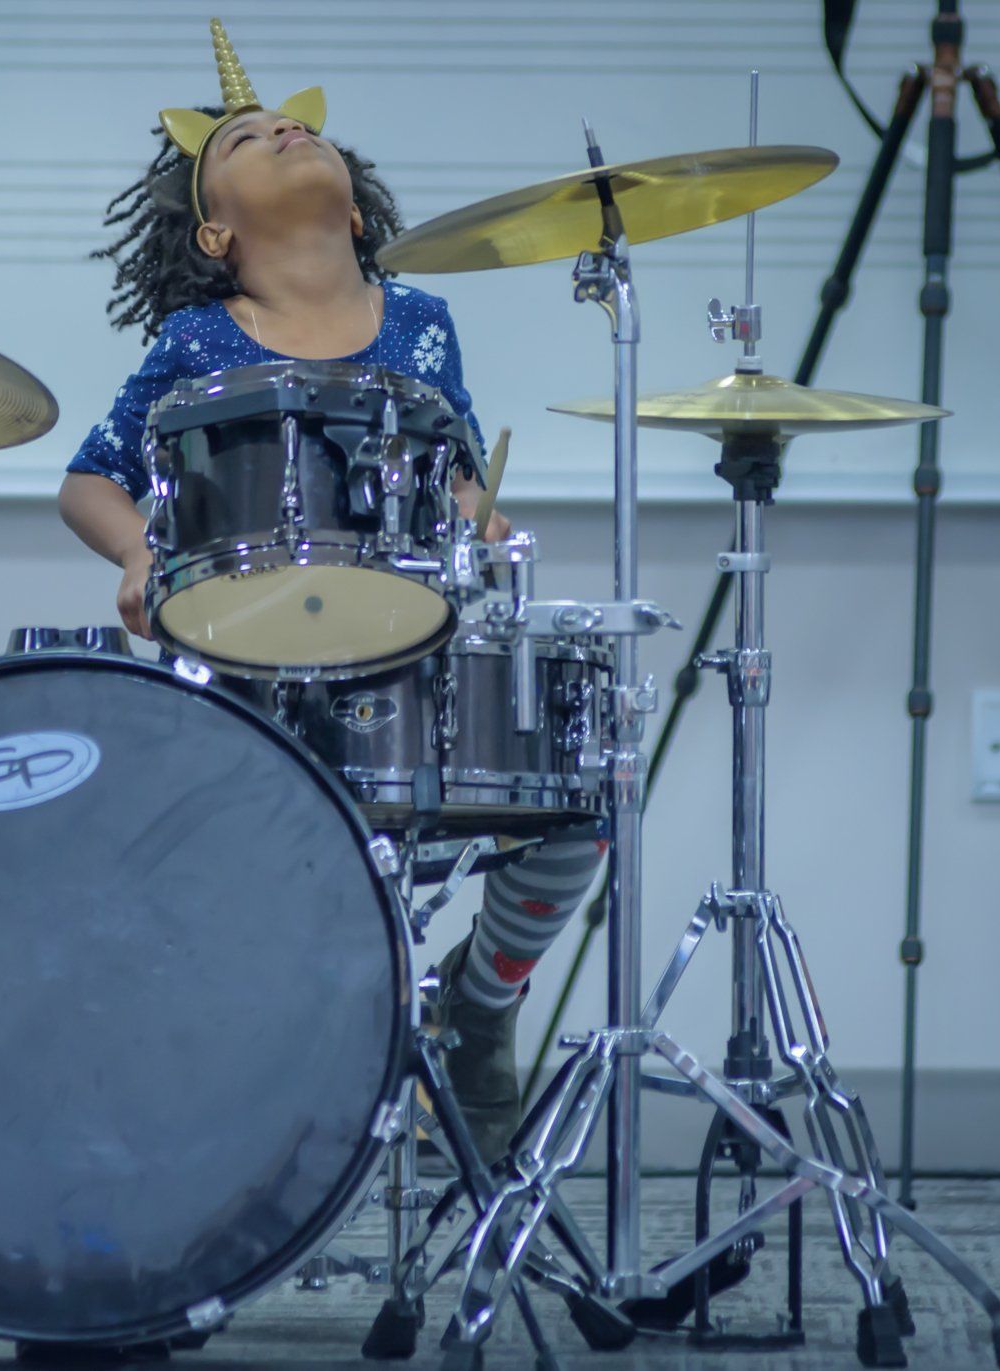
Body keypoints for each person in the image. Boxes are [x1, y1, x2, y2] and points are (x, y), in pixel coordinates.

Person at [56, 19, 605, 1167]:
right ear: (216, 230)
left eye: (302, 126)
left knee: (573, 814)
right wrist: (139, 556)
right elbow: (90, 482)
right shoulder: (199, 332)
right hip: (247, 658)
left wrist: (480, 520)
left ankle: (484, 996)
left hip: (406, 651)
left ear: (356, 208)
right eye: (251, 137)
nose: (286, 128)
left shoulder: (420, 321)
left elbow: (448, 471)